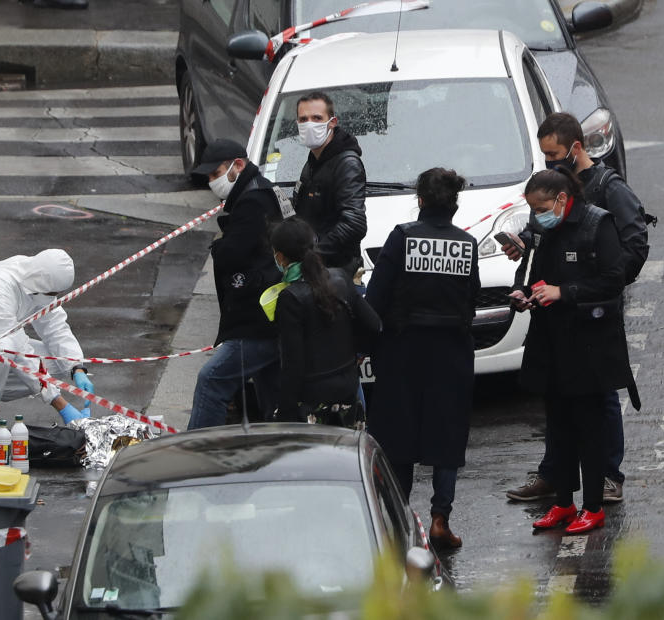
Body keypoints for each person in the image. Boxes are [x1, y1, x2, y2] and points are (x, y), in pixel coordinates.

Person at [504, 112, 651, 504]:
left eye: (554, 154)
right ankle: (556, 473)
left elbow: (633, 247)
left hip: (593, 312)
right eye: (545, 156)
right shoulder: (551, 191)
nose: (550, 162)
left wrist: (605, 283)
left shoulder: (607, 187)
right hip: (556, 315)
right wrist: (527, 252)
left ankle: (607, 475)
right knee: (559, 397)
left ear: (576, 148)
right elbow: (544, 240)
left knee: (599, 397)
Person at [508, 168, 633, 535]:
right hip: (550, 343)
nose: (538, 215)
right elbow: (529, 269)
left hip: (588, 344)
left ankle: (592, 506)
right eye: (533, 209)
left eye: (542, 207)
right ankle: (563, 502)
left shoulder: (597, 224)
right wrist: (523, 292)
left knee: (589, 429)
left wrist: (565, 292)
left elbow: (613, 278)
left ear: (562, 199)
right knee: (558, 427)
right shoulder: (544, 230)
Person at [364, 168, 479, 549]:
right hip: (451, 355)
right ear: (455, 204)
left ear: (421, 200)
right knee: (447, 439)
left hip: (402, 352)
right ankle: (440, 520)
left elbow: (376, 299)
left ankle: (399, 522)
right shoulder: (467, 244)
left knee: (399, 437)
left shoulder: (402, 237)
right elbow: (471, 301)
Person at [187, 139, 283, 429]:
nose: (211, 182)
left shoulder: (254, 200)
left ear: (237, 165)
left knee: (212, 380)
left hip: (256, 319)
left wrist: (220, 247)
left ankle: (198, 453)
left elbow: (233, 253)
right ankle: (277, 447)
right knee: (273, 398)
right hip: (268, 314)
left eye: (216, 174)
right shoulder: (260, 192)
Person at [0, 249, 92, 459]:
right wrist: (59, 402)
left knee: (56, 361)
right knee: (3, 347)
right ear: (40, 285)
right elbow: (19, 350)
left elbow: (54, 325)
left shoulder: (37, 277)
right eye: (52, 293)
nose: (53, 298)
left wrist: (76, 367)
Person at [269, 218, 380, 426]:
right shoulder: (341, 279)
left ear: (281, 257)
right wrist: (356, 355)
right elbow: (374, 325)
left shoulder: (290, 298)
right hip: (347, 390)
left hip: (312, 402)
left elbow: (292, 365)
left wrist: (285, 414)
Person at [292, 91, 367, 276]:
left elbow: (354, 224)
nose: (309, 124)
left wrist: (314, 254)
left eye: (317, 118)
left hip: (336, 273)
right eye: (303, 119)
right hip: (316, 269)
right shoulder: (313, 161)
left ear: (332, 122)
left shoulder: (346, 164)